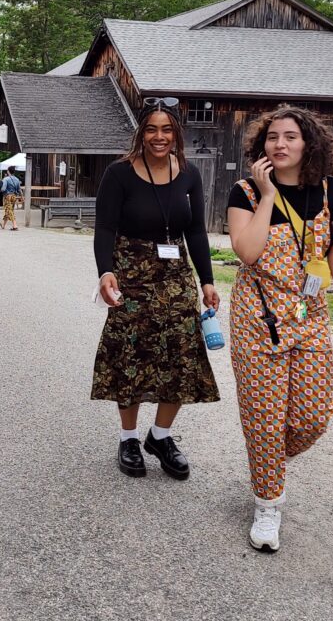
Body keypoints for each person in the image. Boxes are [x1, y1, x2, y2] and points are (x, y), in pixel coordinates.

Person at [227, 105, 333, 553]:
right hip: (258, 318)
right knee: (265, 419)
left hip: (309, 316)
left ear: (308, 143)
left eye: (290, 136)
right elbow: (247, 253)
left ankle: (266, 458)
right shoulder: (245, 193)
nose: (280, 144)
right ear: (262, 145)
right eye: (273, 137)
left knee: (312, 418)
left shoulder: (332, 191)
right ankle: (268, 503)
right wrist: (268, 192)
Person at [92, 96, 220, 480]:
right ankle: (128, 438)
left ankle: (160, 436)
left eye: (167, 129)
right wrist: (105, 272)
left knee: (180, 356)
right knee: (131, 357)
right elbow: (105, 229)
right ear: (141, 132)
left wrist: (207, 280)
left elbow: (195, 230)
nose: (159, 137)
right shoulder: (119, 174)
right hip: (131, 276)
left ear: (177, 133)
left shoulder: (190, 174)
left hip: (176, 277)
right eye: (151, 129)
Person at [0, 166, 22, 231]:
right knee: (9, 210)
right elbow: (19, 189)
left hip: (7, 196)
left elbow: (3, 189)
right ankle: (3, 224)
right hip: (14, 196)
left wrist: (0, 190)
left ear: (8, 171)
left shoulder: (6, 179)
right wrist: (22, 197)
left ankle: (15, 225)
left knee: (9, 210)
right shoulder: (17, 179)